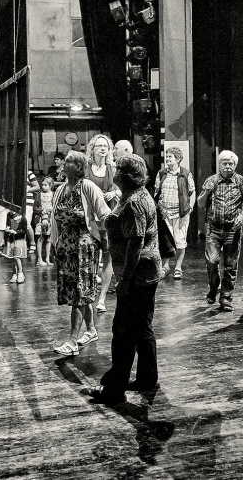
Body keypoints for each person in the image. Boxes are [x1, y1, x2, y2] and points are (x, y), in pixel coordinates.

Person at [87, 154, 163, 405]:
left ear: (126, 175)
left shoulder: (134, 203)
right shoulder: (133, 196)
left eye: (118, 168)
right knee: (141, 327)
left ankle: (114, 389)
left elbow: (135, 244)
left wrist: (126, 280)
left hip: (138, 276)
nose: (114, 171)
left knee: (123, 332)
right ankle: (147, 378)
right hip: (145, 273)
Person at [51, 150, 110, 356]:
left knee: (79, 293)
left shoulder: (88, 187)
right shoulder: (60, 190)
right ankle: (91, 330)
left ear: (78, 167)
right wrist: (54, 244)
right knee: (79, 292)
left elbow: (104, 214)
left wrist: (107, 240)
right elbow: (55, 220)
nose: (63, 164)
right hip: (66, 247)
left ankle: (72, 341)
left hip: (85, 247)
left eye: (68, 161)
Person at [197, 150, 243, 312]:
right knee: (212, 261)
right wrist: (207, 191)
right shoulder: (211, 181)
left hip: (232, 230)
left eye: (231, 163)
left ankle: (226, 298)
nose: (228, 166)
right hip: (214, 229)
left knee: (230, 265)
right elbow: (200, 204)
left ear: (235, 165)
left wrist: (242, 216)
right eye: (225, 163)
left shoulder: (241, 181)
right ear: (219, 164)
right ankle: (214, 287)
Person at [85, 134, 120, 313]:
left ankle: (102, 298)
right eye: (99, 146)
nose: (102, 148)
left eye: (105, 146)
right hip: (90, 219)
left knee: (108, 257)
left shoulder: (113, 168)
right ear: (92, 149)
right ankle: (89, 294)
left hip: (109, 218)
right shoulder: (86, 168)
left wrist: (115, 193)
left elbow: (123, 190)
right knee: (89, 258)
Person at [153, 146, 195, 280]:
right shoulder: (162, 173)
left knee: (179, 240)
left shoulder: (185, 174)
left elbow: (192, 192)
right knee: (166, 241)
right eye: (167, 156)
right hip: (165, 213)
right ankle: (165, 266)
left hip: (180, 213)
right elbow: (156, 190)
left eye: (170, 157)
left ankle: (178, 267)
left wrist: (190, 208)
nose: (168, 159)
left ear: (178, 159)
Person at [34, 177, 54, 266]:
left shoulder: (53, 195)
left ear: (50, 185)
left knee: (48, 238)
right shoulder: (39, 195)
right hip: (40, 218)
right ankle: (39, 259)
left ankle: (47, 258)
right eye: (42, 185)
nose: (43, 187)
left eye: (45, 185)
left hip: (49, 218)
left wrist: (50, 211)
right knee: (40, 238)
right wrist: (41, 211)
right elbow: (35, 207)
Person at [5, 211, 27, 283]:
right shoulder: (9, 217)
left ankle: (20, 273)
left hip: (19, 240)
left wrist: (16, 232)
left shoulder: (22, 219)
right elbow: (8, 226)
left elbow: (25, 230)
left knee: (17, 257)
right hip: (12, 240)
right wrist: (8, 230)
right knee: (13, 258)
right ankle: (14, 274)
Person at [25, 168, 40, 254]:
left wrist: (27, 190)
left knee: (27, 223)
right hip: (17, 201)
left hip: (28, 201)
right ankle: (22, 244)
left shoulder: (29, 173)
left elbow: (37, 187)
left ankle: (32, 242)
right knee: (16, 223)